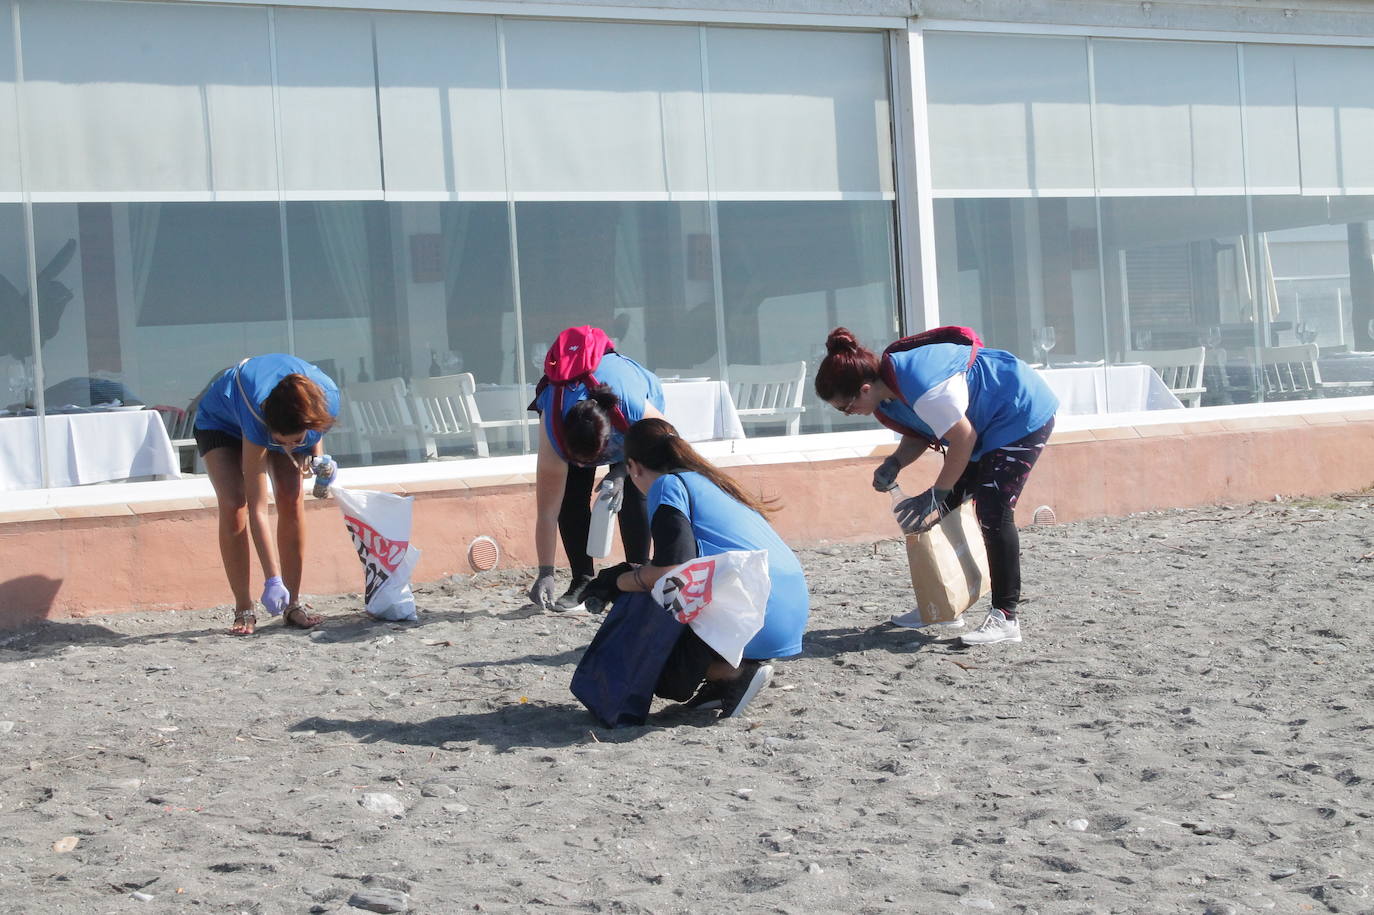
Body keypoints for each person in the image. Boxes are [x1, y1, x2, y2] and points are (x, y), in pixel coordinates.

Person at [813, 327, 1058, 646]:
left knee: (993, 512)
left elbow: (963, 438)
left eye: (845, 407)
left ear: (864, 389)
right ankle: (944, 604)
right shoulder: (884, 398)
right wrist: (896, 462)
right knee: (944, 512)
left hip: (1019, 410)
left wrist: (936, 493)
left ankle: (1006, 618)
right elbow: (921, 430)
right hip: (981, 427)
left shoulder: (921, 384)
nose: (848, 415)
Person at [582, 418, 810, 718]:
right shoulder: (712, 481)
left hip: (759, 618)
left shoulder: (666, 485)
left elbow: (670, 571)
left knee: (665, 678)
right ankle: (726, 675)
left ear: (634, 467)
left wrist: (618, 581)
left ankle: (731, 673)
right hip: (786, 610)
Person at [193, 354, 340, 635]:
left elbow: (314, 431)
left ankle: (293, 604)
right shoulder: (257, 413)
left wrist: (319, 461)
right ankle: (243, 607)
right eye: (282, 442)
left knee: (291, 496)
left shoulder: (327, 396)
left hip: (286, 413)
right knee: (235, 503)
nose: (289, 447)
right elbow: (258, 508)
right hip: (221, 422)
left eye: (295, 441)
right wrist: (272, 579)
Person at [528, 330, 667, 612]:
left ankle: (637, 572)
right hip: (577, 425)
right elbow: (547, 512)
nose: (582, 466)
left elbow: (667, 442)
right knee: (569, 497)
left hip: (630, 419)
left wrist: (621, 471)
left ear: (610, 440)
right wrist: (545, 572)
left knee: (632, 488)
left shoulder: (632, 407)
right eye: (575, 460)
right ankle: (582, 579)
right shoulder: (552, 427)